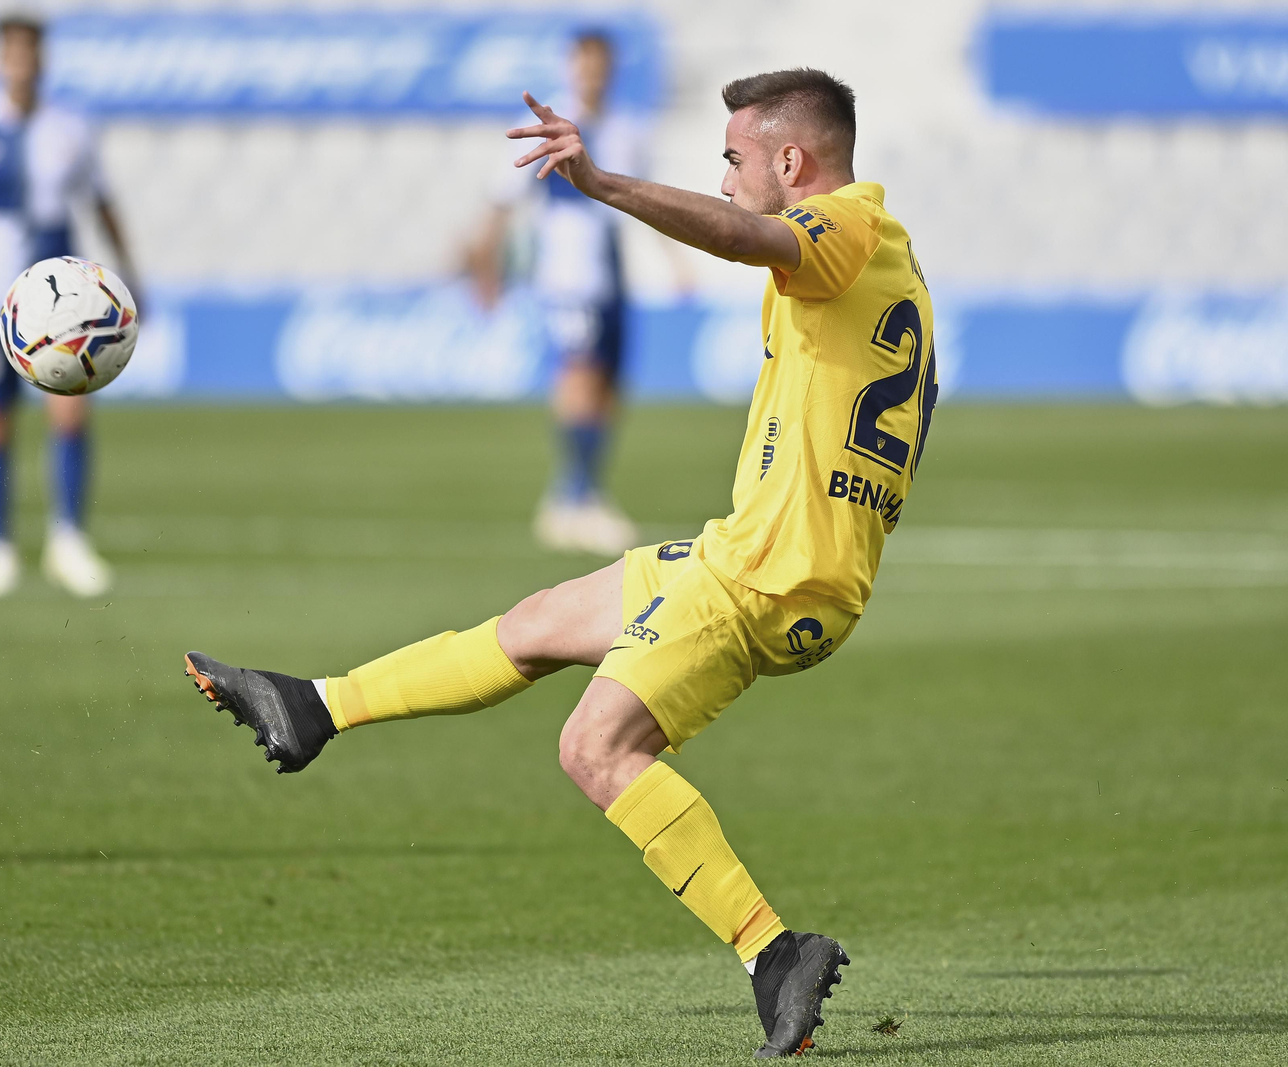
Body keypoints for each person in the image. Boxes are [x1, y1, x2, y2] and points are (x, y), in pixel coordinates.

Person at [184, 68, 937, 1059]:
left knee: (595, 748)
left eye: (734, 157)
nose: (722, 176)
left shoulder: (840, 231)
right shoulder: (876, 256)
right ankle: (316, 705)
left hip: (768, 577)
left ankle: (772, 951)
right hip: (751, 553)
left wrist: (604, 184)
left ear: (791, 161)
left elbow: (751, 234)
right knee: (538, 622)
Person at [0, 14, 137, 599]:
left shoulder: (70, 126)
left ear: (43, 58)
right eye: (12, 52)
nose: (23, 62)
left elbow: (101, 203)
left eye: (31, 52)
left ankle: (68, 542)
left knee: (69, 413)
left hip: (62, 304)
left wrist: (127, 273)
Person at [466, 31, 648, 557]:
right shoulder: (550, 125)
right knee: (580, 378)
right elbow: (502, 201)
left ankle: (583, 493)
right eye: (585, 64)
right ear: (572, 68)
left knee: (610, 386)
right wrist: (486, 267)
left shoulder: (626, 128)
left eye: (602, 65)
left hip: (613, 273)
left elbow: (643, 197)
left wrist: (676, 261)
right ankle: (573, 498)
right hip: (567, 275)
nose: (594, 74)